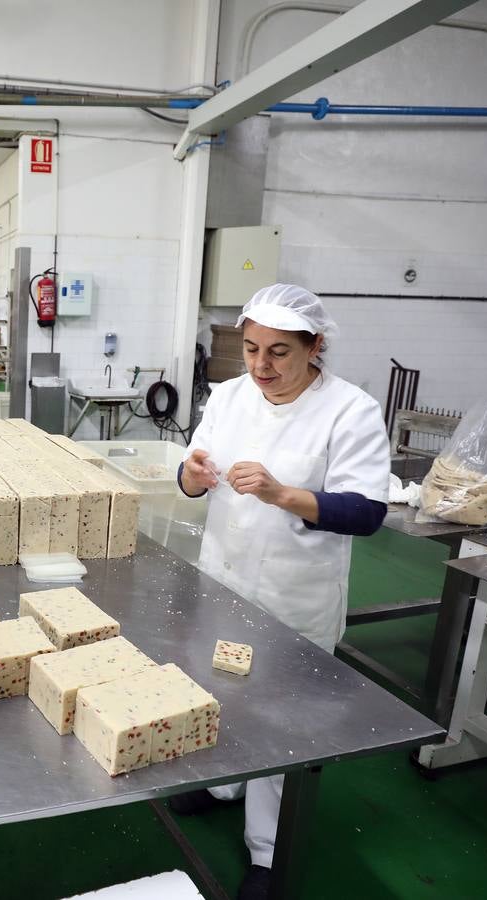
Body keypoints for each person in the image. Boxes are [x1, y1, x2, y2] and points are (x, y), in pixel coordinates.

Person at [171, 284, 389, 900]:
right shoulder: (230, 395)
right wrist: (189, 475)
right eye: (250, 349)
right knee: (218, 686)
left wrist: (283, 493)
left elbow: (367, 510)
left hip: (295, 592)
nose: (261, 366)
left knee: (283, 715)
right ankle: (220, 784)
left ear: (315, 348)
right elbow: (191, 477)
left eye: (280, 353)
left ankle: (267, 850)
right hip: (224, 576)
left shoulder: (350, 410)